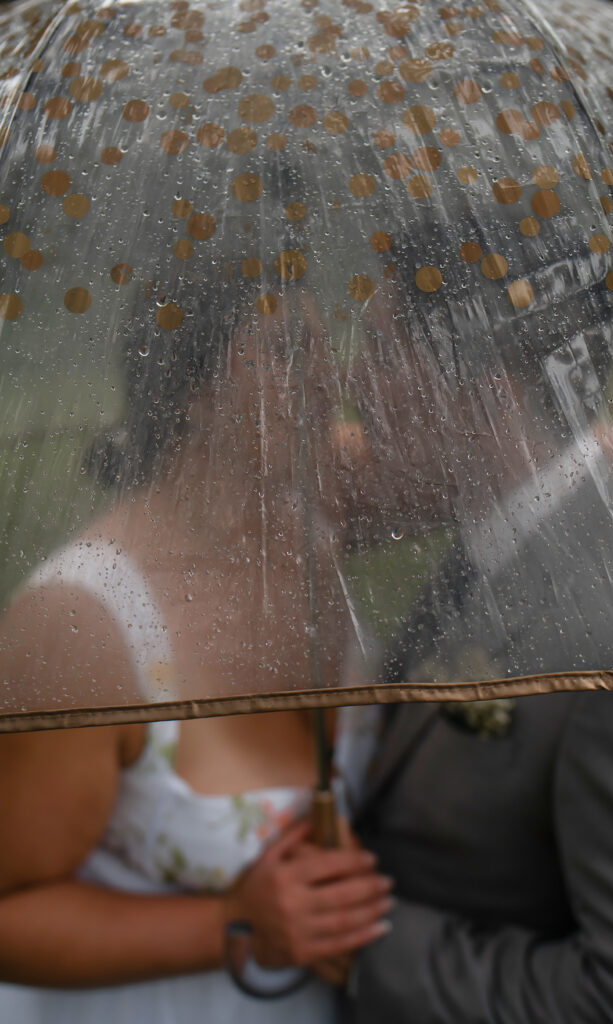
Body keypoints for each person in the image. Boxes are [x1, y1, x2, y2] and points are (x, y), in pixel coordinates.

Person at [0, 286, 392, 1022]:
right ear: (189, 392)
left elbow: (495, 457)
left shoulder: (318, 512)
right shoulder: (81, 624)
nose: (324, 378)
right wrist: (230, 925)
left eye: (322, 346)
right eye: (285, 353)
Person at [335, 221, 613, 1022]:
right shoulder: (511, 536)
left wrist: (358, 941)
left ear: (489, 394)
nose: (356, 383)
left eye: (386, 357)